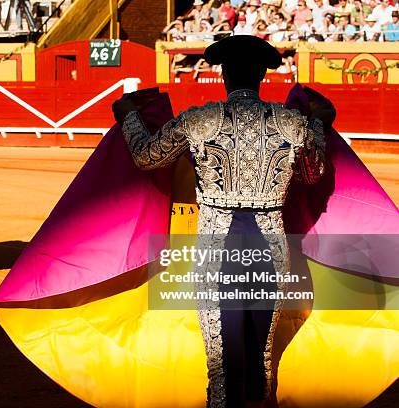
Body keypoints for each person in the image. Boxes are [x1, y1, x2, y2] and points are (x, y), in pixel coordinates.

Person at [114, 35, 327, 407]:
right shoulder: (293, 124)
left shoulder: (201, 120)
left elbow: (146, 157)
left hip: (218, 249)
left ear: (224, 73)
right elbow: (313, 174)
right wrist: (320, 126)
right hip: (270, 248)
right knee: (261, 362)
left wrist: (129, 118)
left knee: (222, 366)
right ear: (262, 74)